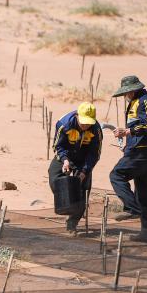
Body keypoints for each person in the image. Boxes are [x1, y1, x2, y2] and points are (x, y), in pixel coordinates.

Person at [109, 75, 147, 243]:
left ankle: (132, 208)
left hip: (145, 153)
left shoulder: (144, 101)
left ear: (132, 89)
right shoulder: (137, 102)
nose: (125, 95)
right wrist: (127, 144)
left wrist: (127, 132)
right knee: (143, 194)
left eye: (126, 92)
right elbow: (142, 128)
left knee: (116, 175)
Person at [48, 101, 103, 235]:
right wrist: (65, 160)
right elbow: (58, 146)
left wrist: (85, 171)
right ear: (77, 116)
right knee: (54, 175)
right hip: (65, 155)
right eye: (83, 121)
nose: (85, 125)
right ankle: (65, 203)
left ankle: (72, 223)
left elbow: (94, 154)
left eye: (88, 122)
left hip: (84, 160)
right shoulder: (64, 124)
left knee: (83, 191)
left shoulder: (96, 129)